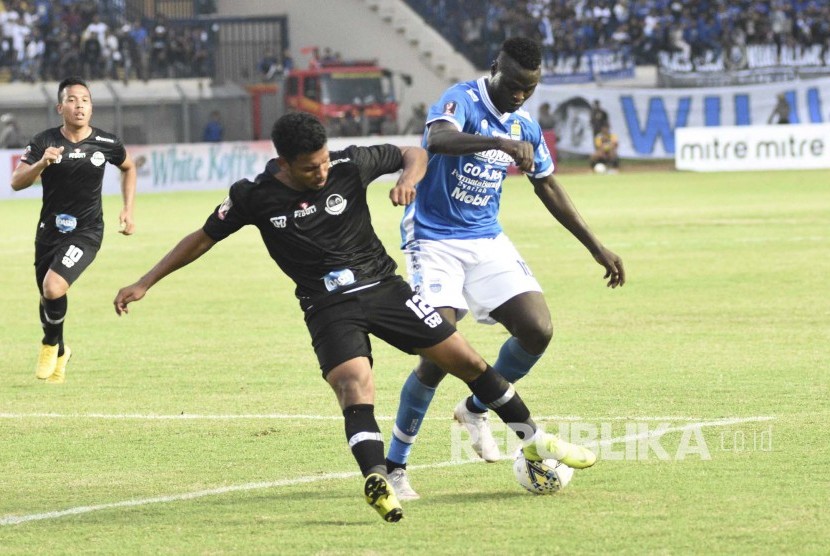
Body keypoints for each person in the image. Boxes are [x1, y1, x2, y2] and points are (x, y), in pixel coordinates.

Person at [112, 112, 598, 523]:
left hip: (384, 288)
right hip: (327, 305)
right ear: (283, 163)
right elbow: (201, 237)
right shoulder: (253, 195)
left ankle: (534, 442)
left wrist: (408, 179)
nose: (321, 172)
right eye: (309, 168)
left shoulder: (349, 164)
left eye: (324, 161)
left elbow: (415, 150)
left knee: (465, 360)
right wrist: (145, 282)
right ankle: (377, 478)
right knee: (353, 385)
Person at [386, 37, 625, 500]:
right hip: (433, 239)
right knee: (439, 353)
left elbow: (548, 187)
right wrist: (499, 141)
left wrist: (596, 247)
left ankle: (475, 408)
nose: (519, 95)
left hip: (486, 239)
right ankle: (395, 467)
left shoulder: (526, 126)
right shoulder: (461, 100)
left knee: (537, 329)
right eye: (514, 85)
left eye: (529, 89)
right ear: (494, 67)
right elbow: (435, 138)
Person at [11, 76, 137, 383]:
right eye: (72, 100)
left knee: (54, 287)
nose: (79, 105)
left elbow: (128, 167)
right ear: (60, 107)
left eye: (85, 100)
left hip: (87, 231)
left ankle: (49, 344)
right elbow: (16, 182)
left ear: (91, 107)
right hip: (49, 231)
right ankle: (63, 350)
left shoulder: (107, 142)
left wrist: (128, 208)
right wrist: (42, 163)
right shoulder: (44, 141)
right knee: (47, 296)